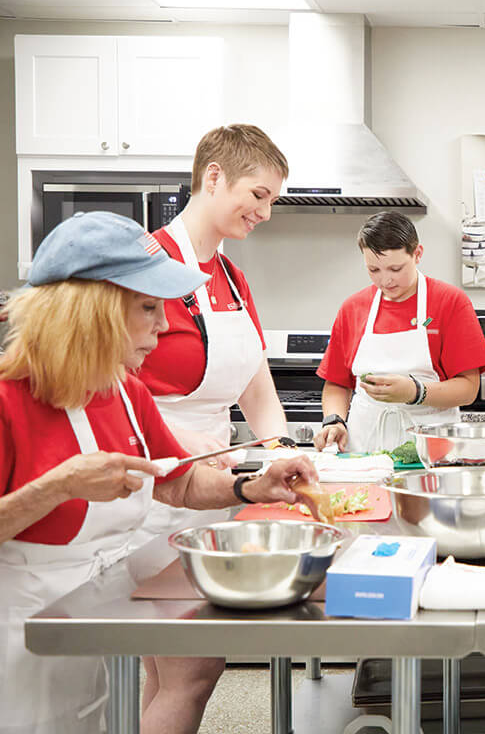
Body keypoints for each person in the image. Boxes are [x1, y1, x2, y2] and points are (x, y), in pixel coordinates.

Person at [0, 211, 320, 734]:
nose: (164, 324)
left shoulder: (124, 392)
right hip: (18, 643)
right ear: (93, 310)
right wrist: (58, 485)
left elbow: (178, 480)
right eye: (148, 307)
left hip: (90, 627)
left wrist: (252, 486)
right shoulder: (8, 400)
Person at [128, 123, 294, 731]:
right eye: (258, 194)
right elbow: (111, 387)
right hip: (149, 487)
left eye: (273, 200)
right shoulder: (147, 264)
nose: (265, 212)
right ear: (214, 177)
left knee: (165, 671)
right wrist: (178, 446)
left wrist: (281, 450)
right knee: (193, 670)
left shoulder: (230, 276)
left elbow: (255, 385)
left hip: (209, 489)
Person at [315, 211, 485, 452]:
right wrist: (334, 420)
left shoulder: (449, 302)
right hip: (364, 448)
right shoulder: (353, 308)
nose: (386, 280)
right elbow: (337, 383)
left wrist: (415, 392)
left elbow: (468, 389)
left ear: (417, 254)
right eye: (374, 270)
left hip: (430, 449)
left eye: (395, 268)